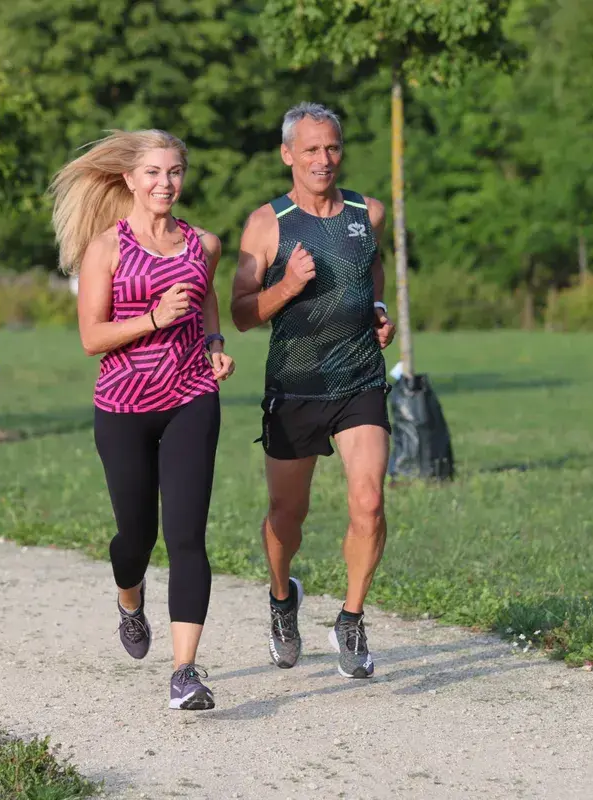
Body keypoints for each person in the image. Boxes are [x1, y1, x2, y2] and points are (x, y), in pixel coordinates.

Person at [49, 129, 235, 710]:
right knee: (137, 537)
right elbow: (90, 337)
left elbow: (206, 302)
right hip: (123, 407)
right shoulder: (105, 248)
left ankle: (185, 672)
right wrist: (153, 317)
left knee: (186, 536)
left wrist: (214, 343)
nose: (165, 184)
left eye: (175, 172)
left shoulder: (203, 244)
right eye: (153, 173)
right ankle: (130, 598)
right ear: (129, 179)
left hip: (190, 398)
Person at [230, 102, 396, 679]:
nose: (323, 160)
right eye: (310, 150)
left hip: (359, 378)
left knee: (369, 501)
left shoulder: (367, 212)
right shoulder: (266, 224)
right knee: (286, 516)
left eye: (332, 148)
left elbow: (372, 268)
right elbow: (243, 313)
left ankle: (351, 619)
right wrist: (289, 285)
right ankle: (282, 600)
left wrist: (377, 307)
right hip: (295, 385)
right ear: (287, 155)